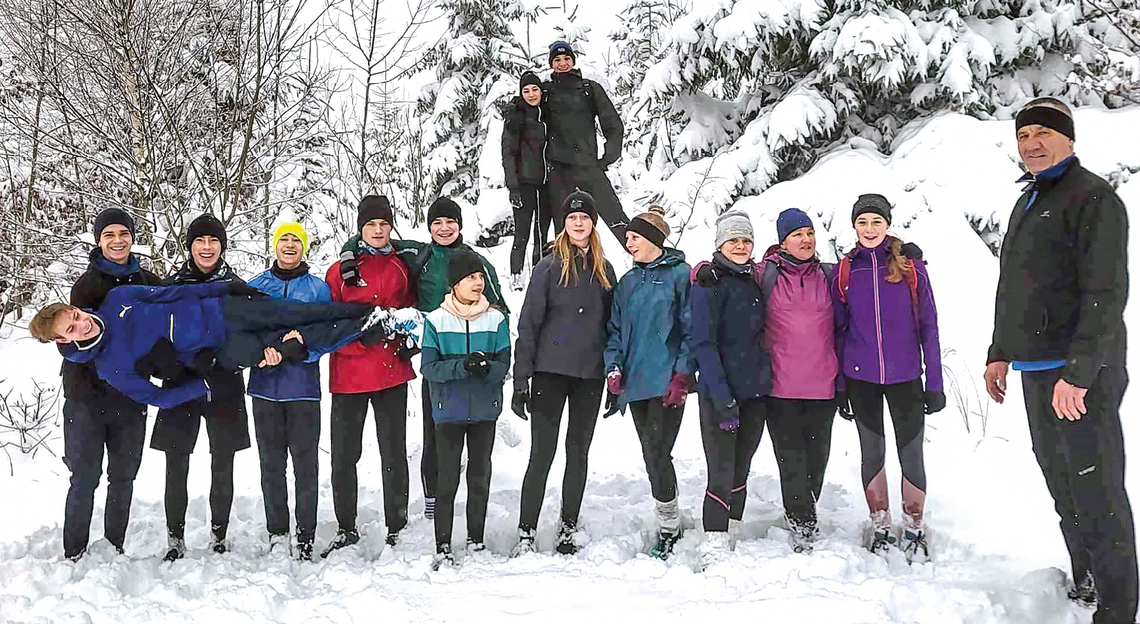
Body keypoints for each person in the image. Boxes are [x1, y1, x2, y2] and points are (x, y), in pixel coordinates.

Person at [983, 98, 1135, 623]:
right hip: (1037, 371)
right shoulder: (1028, 202)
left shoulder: (1093, 198)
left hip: (1080, 374)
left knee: (1098, 490)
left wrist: (1079, 372)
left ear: (1069, 140)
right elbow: (1015, 288)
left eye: (1044, 133)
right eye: (1024, 136)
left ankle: (1117, 611)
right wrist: (999, 351)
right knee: (1062, 483)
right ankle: (1087, 578)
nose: (1032, 144)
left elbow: (1105, 291)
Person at [339, 196, 507, 523]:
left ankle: (475, 508)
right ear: (430, 227)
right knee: (434, 432)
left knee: (477, 435)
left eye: (450, 222)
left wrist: (495, 352)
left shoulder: (477, 262)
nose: (444, 228)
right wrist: (348, 254)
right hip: (438, 357)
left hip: (476, 357)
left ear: (460, 225)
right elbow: (374, 233)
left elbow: (500, 307)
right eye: (437, 223)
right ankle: (434, 503)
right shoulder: (418, 253)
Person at [832, 193, 943, 561]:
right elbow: (838, 329)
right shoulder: (847, 270)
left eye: (876, 222)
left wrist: (936, 383)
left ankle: (914, 525)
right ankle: (880, 523)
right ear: (854, 227)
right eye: (862, 222)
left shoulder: (910, 267)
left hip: (906, 376)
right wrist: (840, 384)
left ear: (887, 224)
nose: (869, 229)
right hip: (861, 378)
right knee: (873, 451)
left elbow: (929, 326)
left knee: (910, 453)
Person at [511, 190, 616, 556]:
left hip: (590, 374)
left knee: (578, 453)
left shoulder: (605, 269)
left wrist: (615, 376)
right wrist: (521, 377)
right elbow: (529, 323)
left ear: (592, 222)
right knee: (542, 454)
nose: (577, 223)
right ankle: (526, 531)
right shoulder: (548, 266)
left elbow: (613, 326)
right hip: (549, 373)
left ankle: (568, 527)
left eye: (583, 217)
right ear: (564, 223)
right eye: (572, 217)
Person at [57, 208, 161, 560]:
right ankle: (74, 552)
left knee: (123, 475)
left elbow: (164, 326)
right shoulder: (86, 286)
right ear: (98, 241)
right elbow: (73, 341)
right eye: (109, 235)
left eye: (123, 234)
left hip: (130, 395)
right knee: (84, 476)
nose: (117, 241)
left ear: (132, 237)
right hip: (86, 396)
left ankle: (114, 546)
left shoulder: (148, 280)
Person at [148, 214, 251, 560]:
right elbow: (152, 334)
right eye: (199, 241)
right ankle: (174, 538)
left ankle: (219, 534)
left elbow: (247, 335)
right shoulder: (170, 286)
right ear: (189, 247)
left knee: (223, 461)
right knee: (176, 462)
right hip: (180, 382)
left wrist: (222, 359)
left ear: (222, 246)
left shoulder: (235, 286)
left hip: (224, 383)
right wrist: (172, 361)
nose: (206, 248)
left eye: (213, 241)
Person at [322, 196, 417, 557]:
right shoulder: (340, 270)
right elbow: (329, 323)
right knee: (345, 455)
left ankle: (398, 526)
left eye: (383, 224)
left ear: (391, 227)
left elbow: (413, 311)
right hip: (349, 374)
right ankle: (345, 526)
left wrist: (411, 341)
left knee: (393, 450)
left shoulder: (402, 266)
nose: (378, 231)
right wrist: (360, 337)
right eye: (370, 225)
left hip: (392, 372)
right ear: (360, 228)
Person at [604, 205, 693, 560]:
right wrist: (613, 367)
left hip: (668, 383)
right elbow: (614, 330)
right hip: (635, 385)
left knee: (657, 452)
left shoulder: (680, 276)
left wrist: (682, 374)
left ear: (654, 240)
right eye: (627, 238)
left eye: (635, 237)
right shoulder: (626, 283)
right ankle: (669, 518)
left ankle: (669, 526)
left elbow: (691, 329)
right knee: (651, 453)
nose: (629, 244)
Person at [688, 210, 771, 567]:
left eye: (746, 240)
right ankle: (714, 540)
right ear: (720, 244)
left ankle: (732, 526)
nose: (740, 245)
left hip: (754, 390)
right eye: (733, 240)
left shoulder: (754, 279)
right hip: (719, 393)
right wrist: (722, 398)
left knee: (742, 466)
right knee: (721, 468)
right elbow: (703, 343)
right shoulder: (709, 283)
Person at [420, 249, 511, 570]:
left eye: (481, 277)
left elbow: (504, 365)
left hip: (485, 411)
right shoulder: (436, 320)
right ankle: (442, 544)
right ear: (455, 283)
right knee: (447, 480)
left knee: (480, 476)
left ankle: (476, 539)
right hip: (448, 412)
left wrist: (486, 367)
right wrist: (462, 366)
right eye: (471, 277)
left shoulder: (495, 319)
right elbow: (429, 368)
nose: (478, 283)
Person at [246, 221, 330, 561]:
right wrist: (258, 352)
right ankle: (278, 532)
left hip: (303, 391)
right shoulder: (255, 286)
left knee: (305, 466)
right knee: (271, 465)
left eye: (296, 240)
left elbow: (326, 334)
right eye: (284, 240)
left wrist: (301, 349)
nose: (290, 245)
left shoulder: (318, 289)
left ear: (304, 247)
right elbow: (243, 330)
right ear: (275, 246)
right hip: (265, 389)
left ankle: (306, 534)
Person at [543, 41, 628, 239]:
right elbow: (528, 118)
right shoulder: (545, 92)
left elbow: (613, 125)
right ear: (551, 64)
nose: (562, 63)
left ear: (573, 61)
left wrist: (608, 157)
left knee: (617, 218)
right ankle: (565, 269)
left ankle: (647, 262)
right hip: (558, 170)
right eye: (557, 60)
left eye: (566, 59)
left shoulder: (590, 89)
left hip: (588, 166)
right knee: (563, 230)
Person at [503, 71, 553, 291]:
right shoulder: (516, 116)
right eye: (526, 90)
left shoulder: (549, 114)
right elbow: (508, 153)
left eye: (535, 89)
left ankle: (538, 273)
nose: (531, 94)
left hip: (547, 185)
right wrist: (513, 186)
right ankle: (515, 276)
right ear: (521, 93)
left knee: (542, 233)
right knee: (521, 233)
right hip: (524, 185)